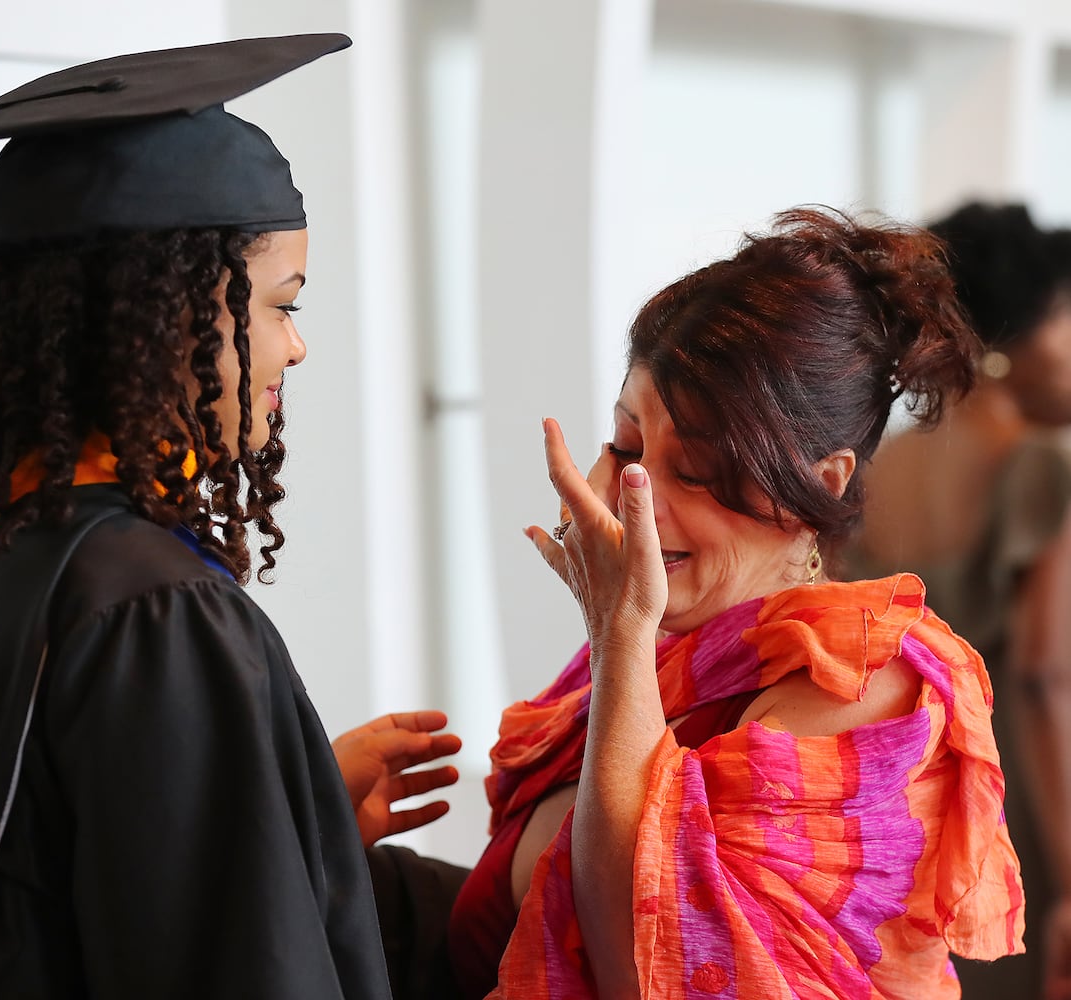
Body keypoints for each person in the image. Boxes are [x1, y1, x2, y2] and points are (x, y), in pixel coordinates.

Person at [0, 35, 395, 999]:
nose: (295, 347)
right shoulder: (155, 610)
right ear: (177, 312)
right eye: (277, 305)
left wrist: (294, 810)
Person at [341, 207, 1025, 1000]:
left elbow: (651, 962)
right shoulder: (670, 642)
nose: (640, 500)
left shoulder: (863, 688)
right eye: (628, 450)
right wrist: (322, 838)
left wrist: (618, 634)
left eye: (696, 470)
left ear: (822, 483)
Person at [849, 202, 1071, 1000]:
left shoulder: (876, 471)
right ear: (1021, 330)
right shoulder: (1044, 465)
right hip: (1019, 795)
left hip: (899, 803)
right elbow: (1047, 677)